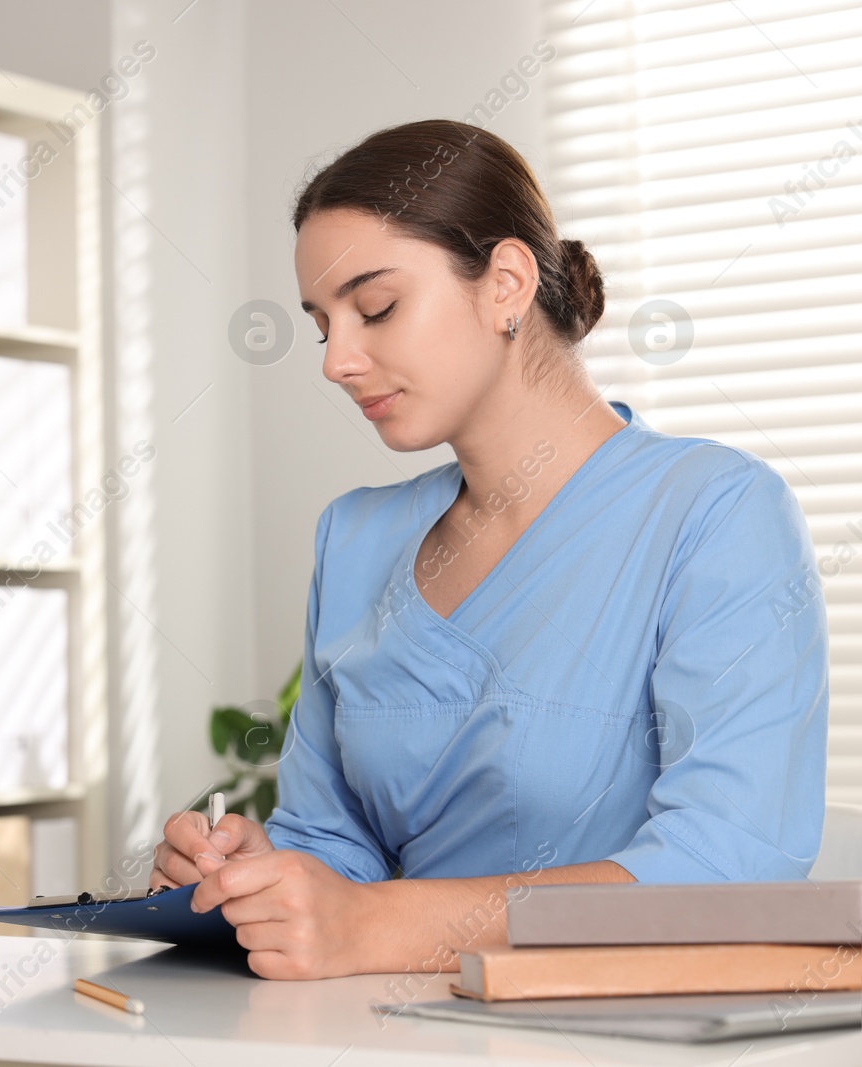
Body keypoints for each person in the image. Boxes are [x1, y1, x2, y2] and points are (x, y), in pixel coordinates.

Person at [151, 119, 828, 981]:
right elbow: (332, 843)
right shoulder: (355, 537)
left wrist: (379, 926)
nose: (337, 360)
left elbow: (729, 868)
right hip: (374, 1031)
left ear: (506, 282)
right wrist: (255, 877)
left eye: (377, 307)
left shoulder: (716, 511)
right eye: (323, 325)